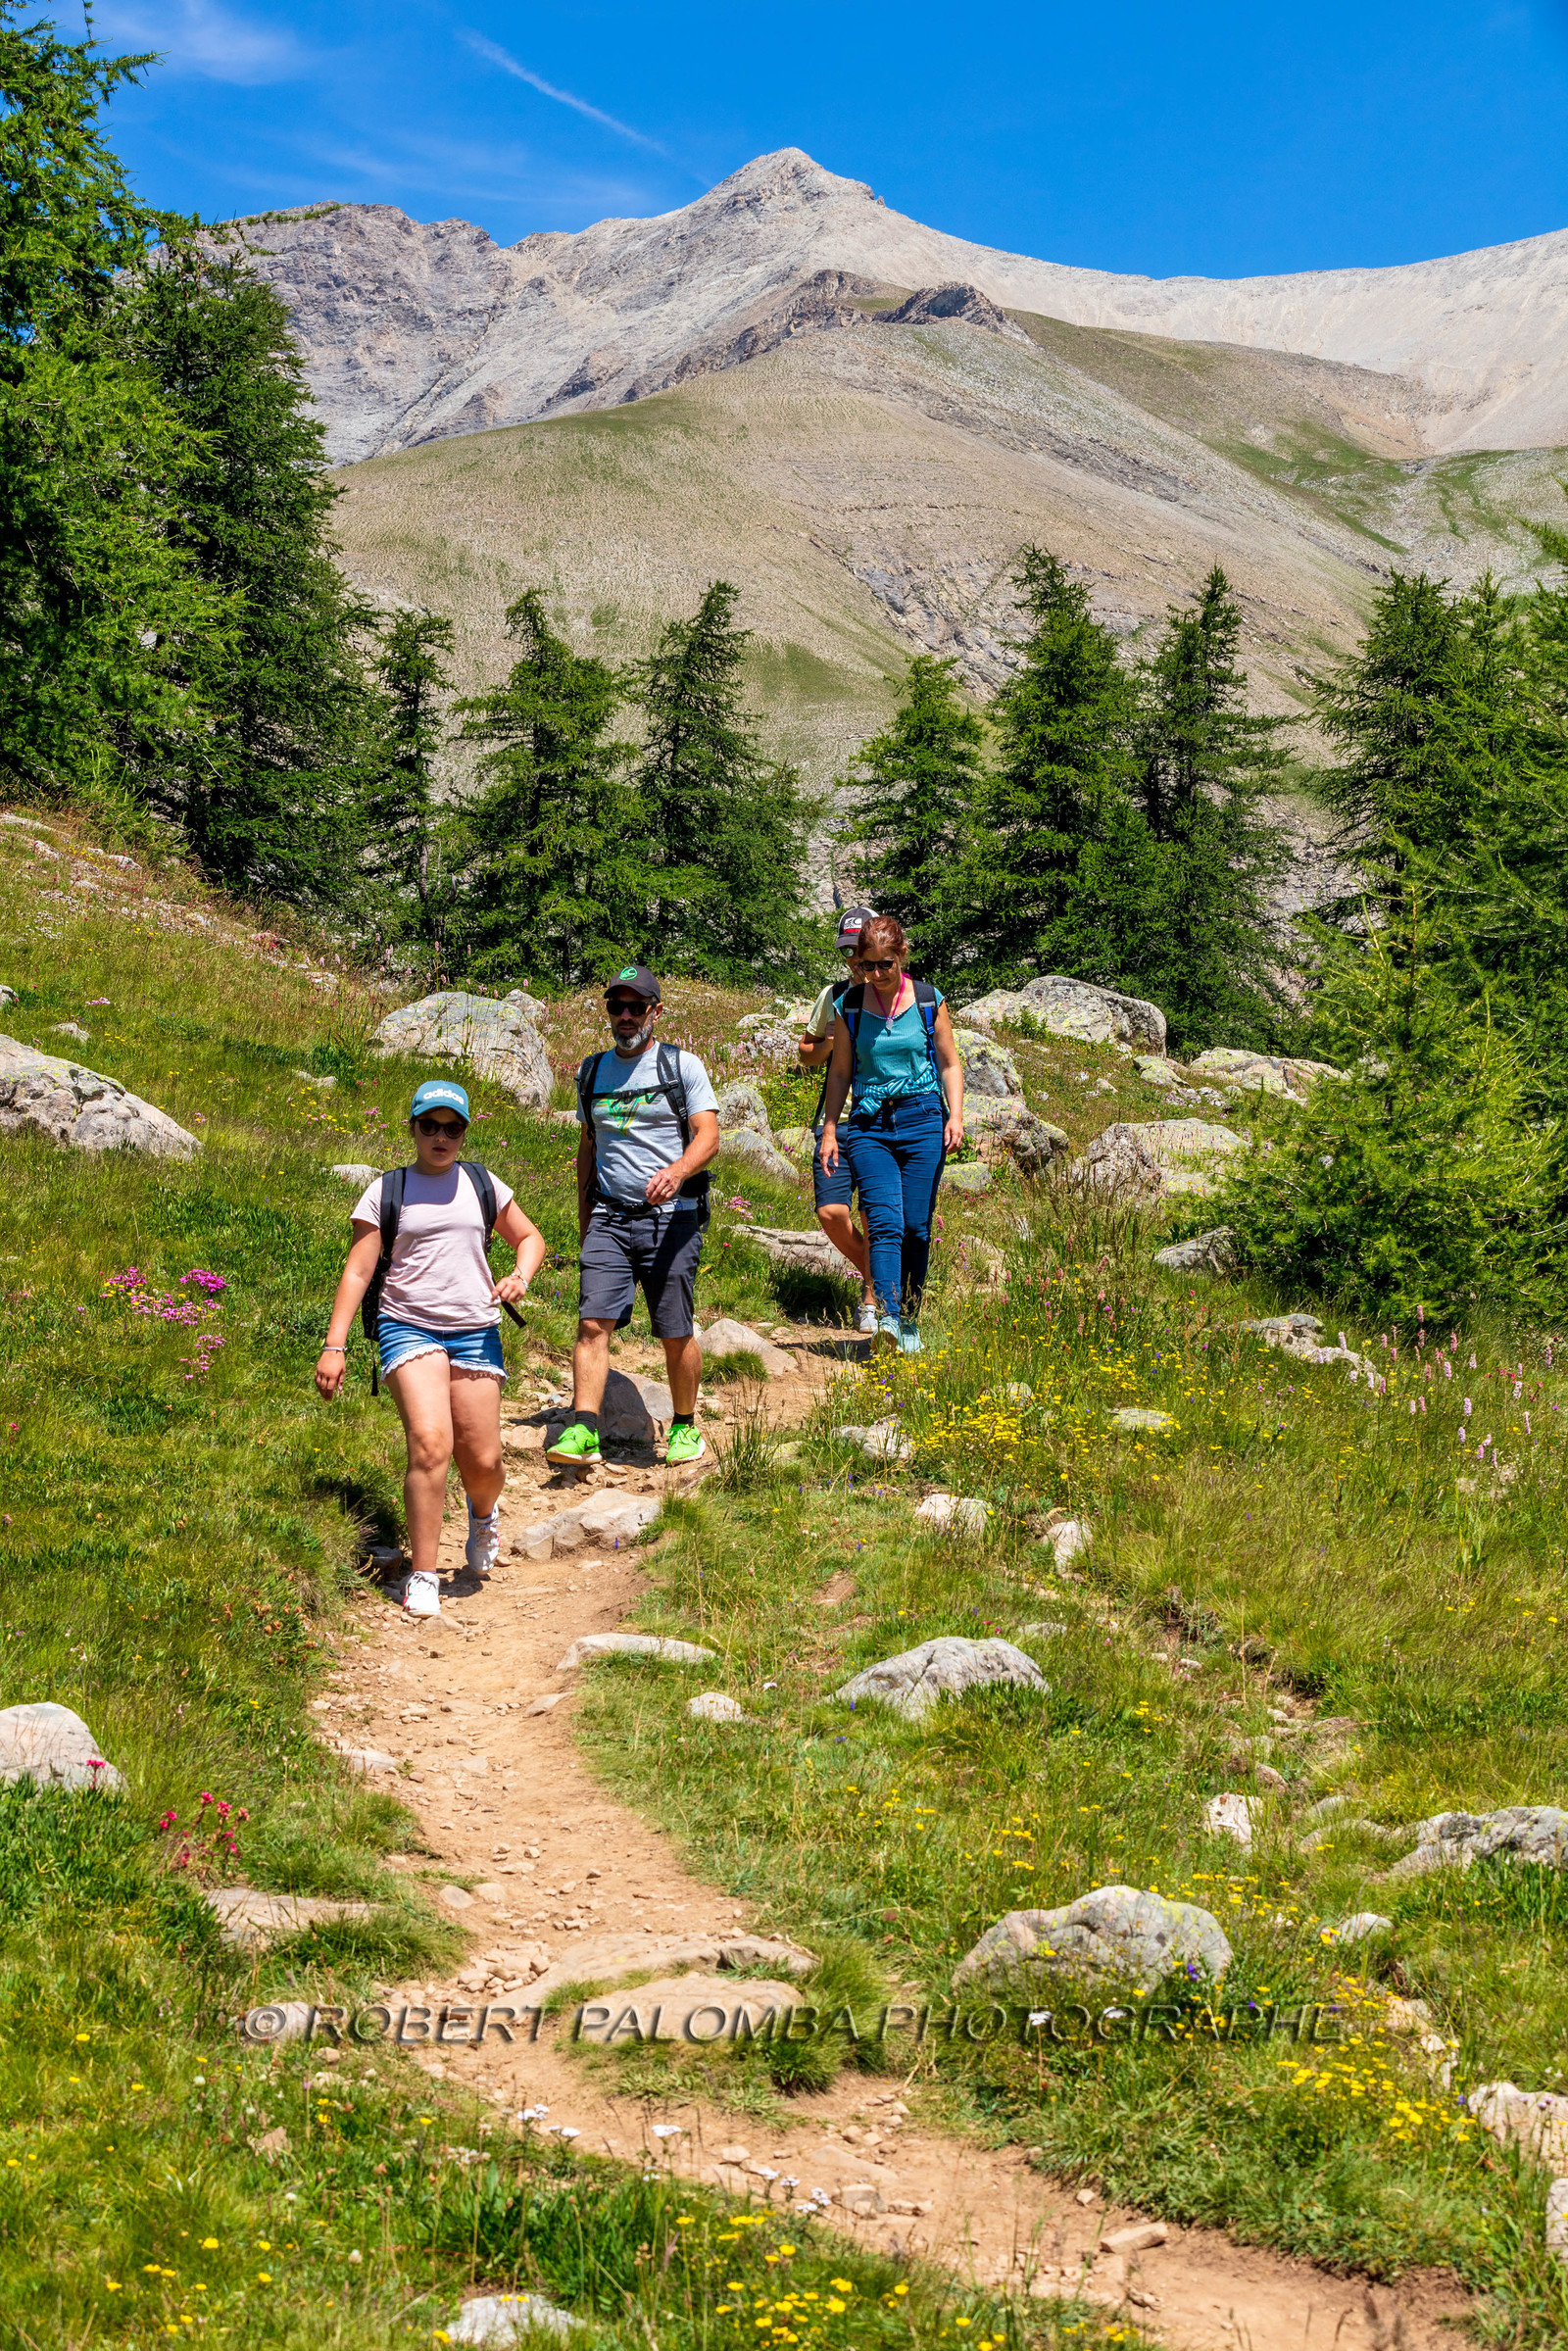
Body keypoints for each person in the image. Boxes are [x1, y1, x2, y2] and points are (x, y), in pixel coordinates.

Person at [315, 1078, 547, 1619]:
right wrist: (335, 1344)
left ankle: (483, 1515)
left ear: (464, 1132)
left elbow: (531, 1238)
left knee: (484, 1460)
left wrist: (521, 1275)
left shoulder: (484, 1183)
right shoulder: (385, 1190)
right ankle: (423, 1574)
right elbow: (358, 1268)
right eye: (430, 1126)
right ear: (413, 1128)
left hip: (475, 1328)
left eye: (453, 1128)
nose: (441, 1137)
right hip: (407, 1325)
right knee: (429, 1443)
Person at [549, 965, 720, 1472]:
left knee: (674, 1329)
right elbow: (588, 1148)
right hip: (609, 1215)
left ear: (656, 1012)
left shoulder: (682, 1066)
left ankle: (685, 1427)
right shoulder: (591, 1071)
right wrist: (585, 1221)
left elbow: (708, 1136)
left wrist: (678, 1170)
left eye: (636, 1007)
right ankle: (583, 1427)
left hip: (672, 1217)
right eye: (616, 1007)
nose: (625, 1017)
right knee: (591, 1323)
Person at [817, 915, 964, 1355]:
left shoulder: (927, 1000)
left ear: (902, 956)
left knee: (917, 1227)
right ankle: (887, 1317)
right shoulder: (852, 1006)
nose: (876, 974)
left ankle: (911, 1320)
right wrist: (829, 1129)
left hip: (922, 1119)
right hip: (868, 1124)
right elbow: (840, 1070)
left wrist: (955, 1115)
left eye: (885, 964)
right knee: (883, 1221)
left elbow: (949, 1063)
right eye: (867, 966)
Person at [797, 906, 878, 1334]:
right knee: (831, 1212)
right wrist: (829, 1043)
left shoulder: (900, 997)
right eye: (848, 951)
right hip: (838, 1121)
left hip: (883, 1122)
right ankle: (878, 1270)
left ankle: (871, 1299)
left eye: (859, 948)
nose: (854, 959)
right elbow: (805, 1052)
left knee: (874, 1214)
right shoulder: (834, 995)